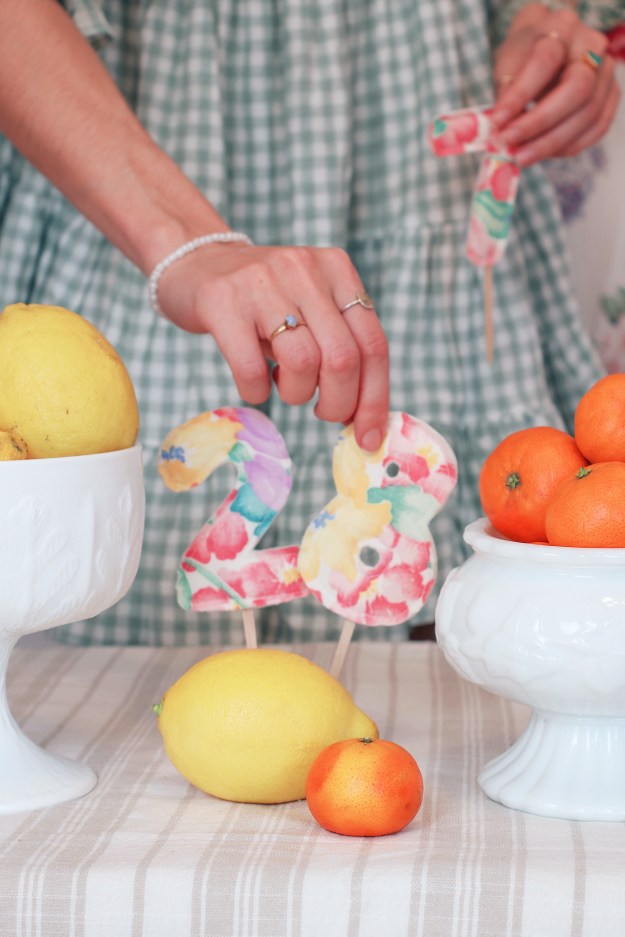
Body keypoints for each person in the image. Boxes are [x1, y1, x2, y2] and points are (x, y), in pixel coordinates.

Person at [0, 0, 620, 645]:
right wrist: (186, 245)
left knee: (502, 647)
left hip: (422, 120)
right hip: (123, 134)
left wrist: (543, 20)